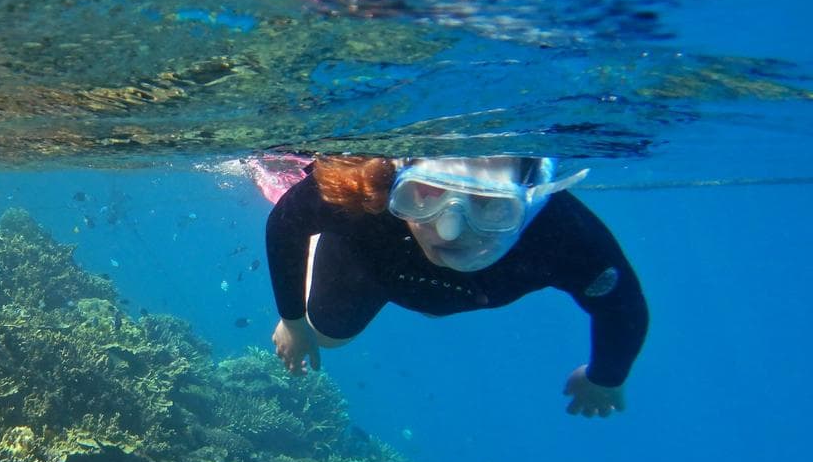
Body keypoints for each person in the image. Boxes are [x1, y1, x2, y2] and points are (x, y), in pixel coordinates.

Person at [265, 155, 648, 417]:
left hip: (410, 279)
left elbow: (622, 304)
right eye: (426, 194)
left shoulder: (563, 234)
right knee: (328, 338)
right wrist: (294, 323)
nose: (450, 230)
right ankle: (311, 225)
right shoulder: (368, 189)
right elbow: (284, 223)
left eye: (489, 204)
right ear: (398, 181)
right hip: (364, 267)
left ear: (532, 203)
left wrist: (607, 376)